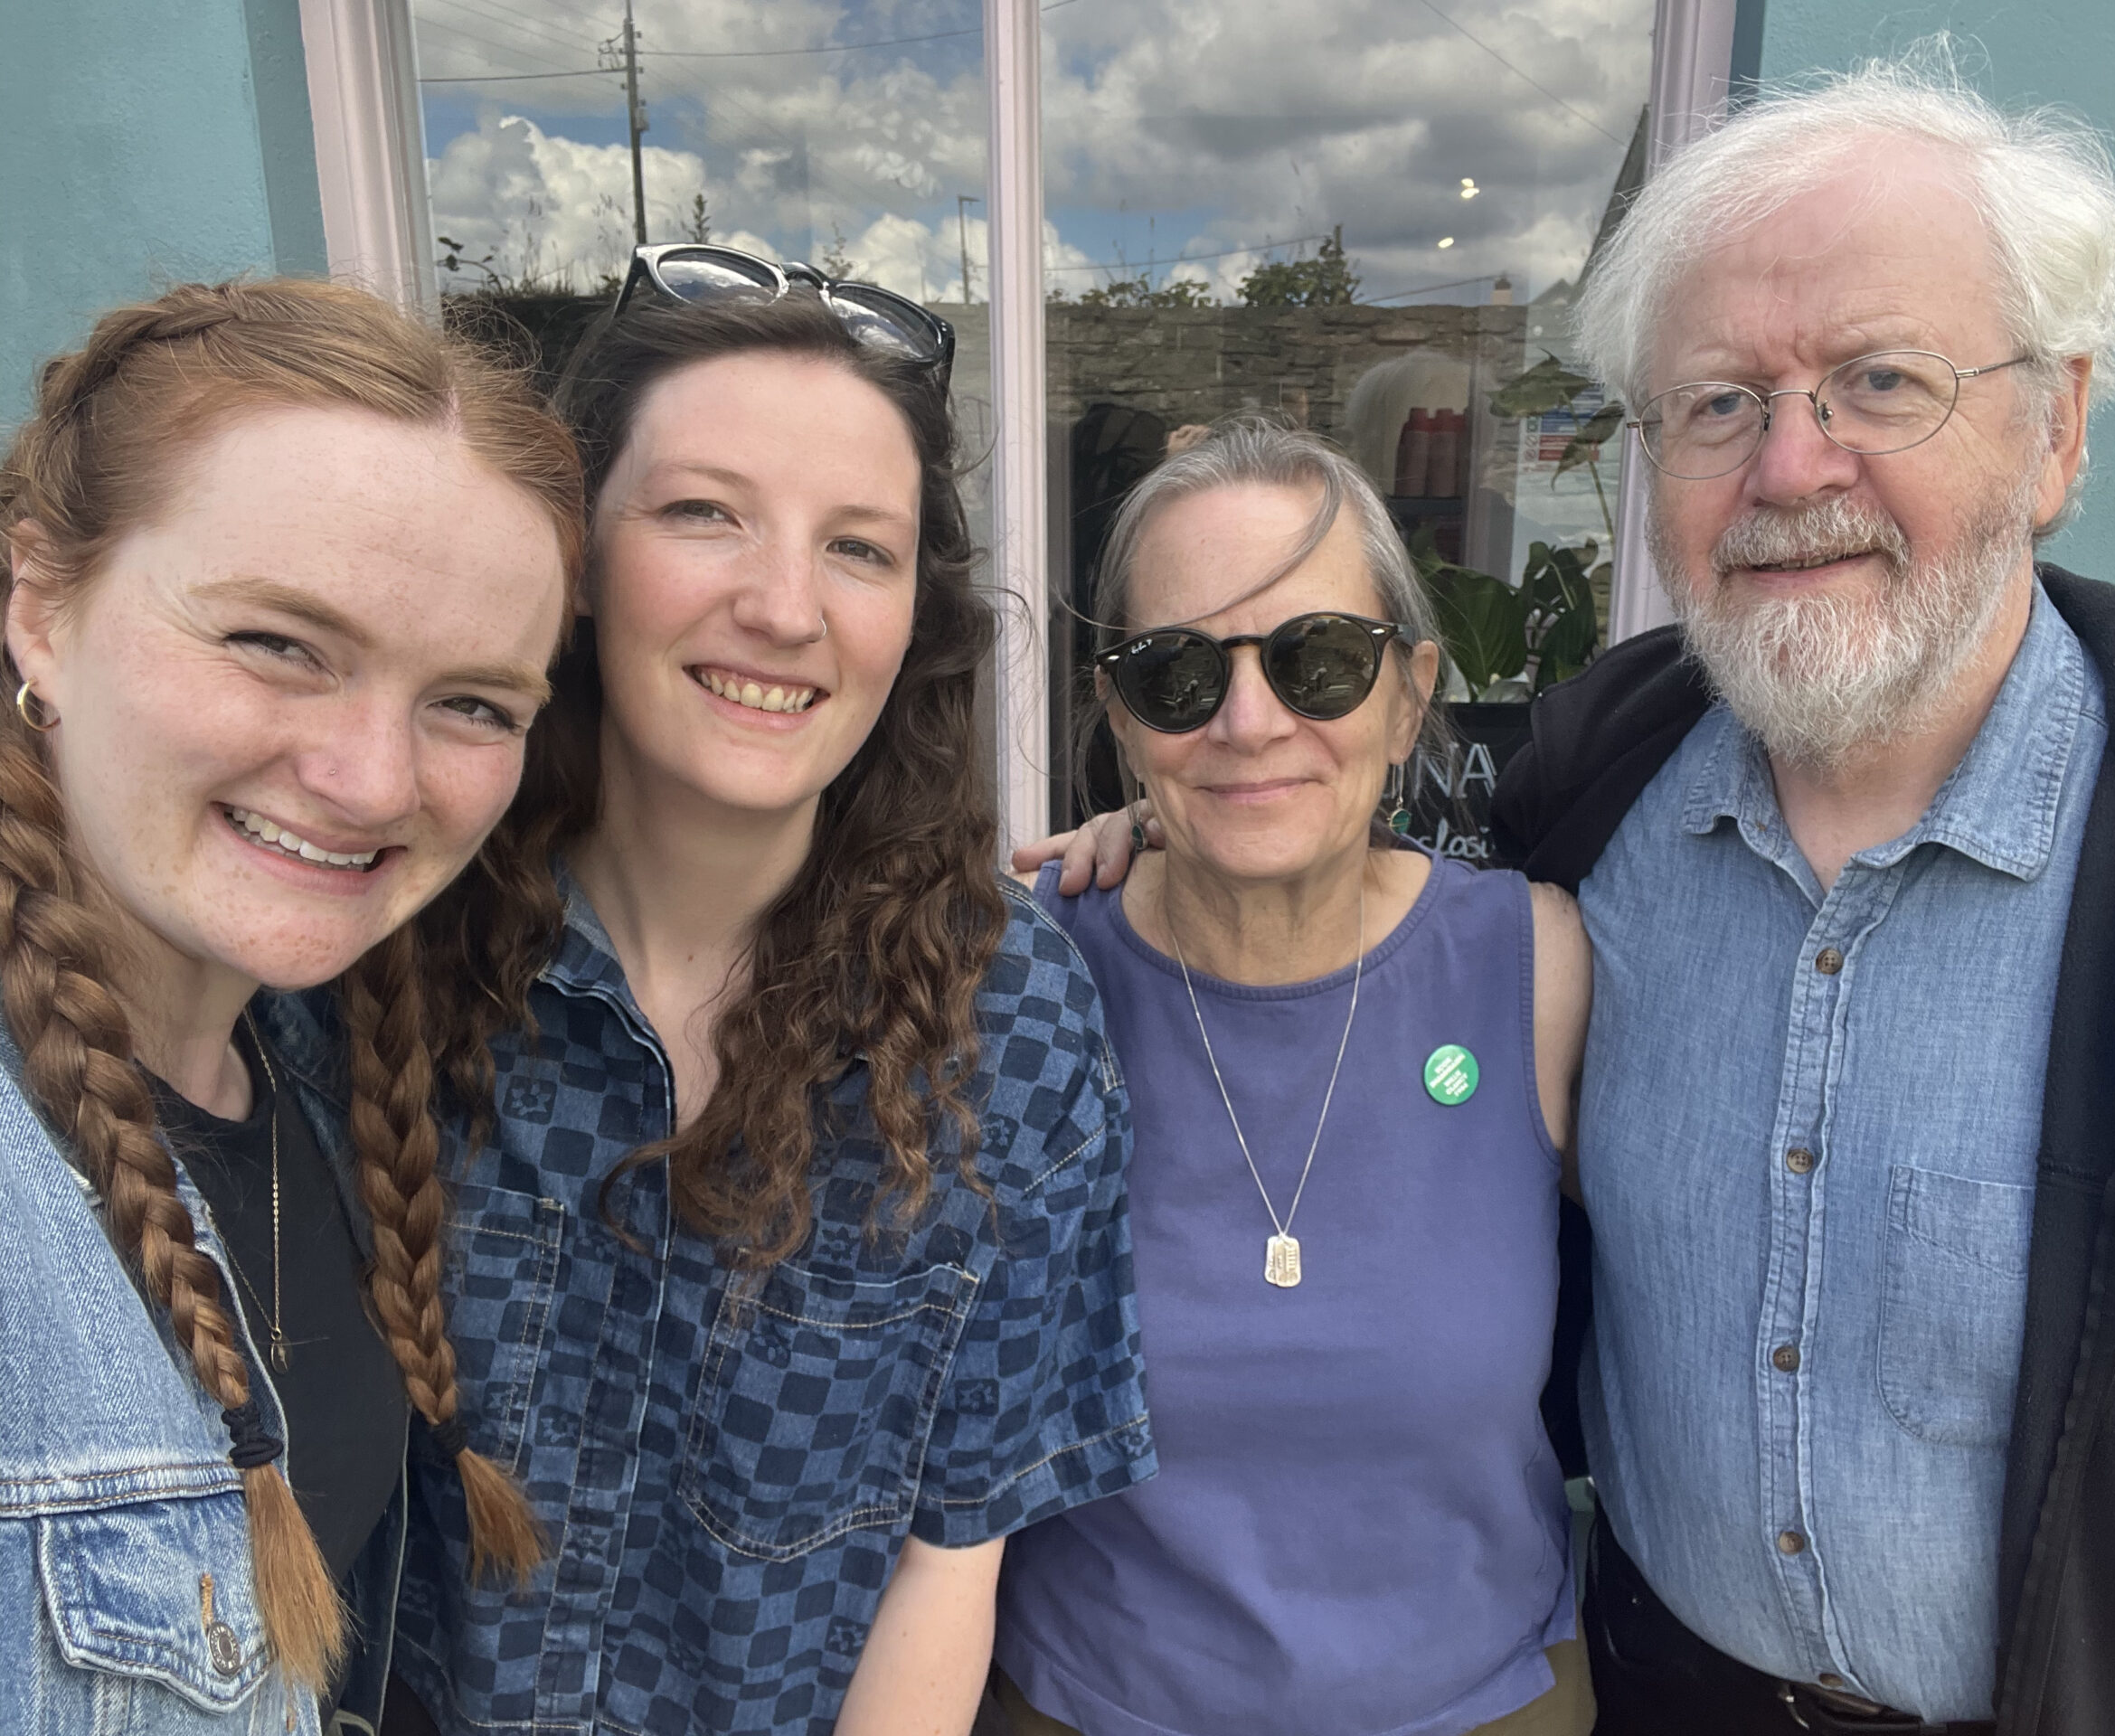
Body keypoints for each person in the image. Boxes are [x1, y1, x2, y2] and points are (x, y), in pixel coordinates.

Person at [1482, 59, 2115, 1736]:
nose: (1793, 468)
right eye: (1718, 403)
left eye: (1880, 381)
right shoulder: (1584, 803)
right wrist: (1170, 843)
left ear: (2058, 427)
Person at [365, 249, 1156, 1736]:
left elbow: (949, 1561)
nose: (784, 606)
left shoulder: (1014, 1024)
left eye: (858, 547)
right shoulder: (386, 936)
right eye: (703, 513)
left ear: (915, 614)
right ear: (576, 558)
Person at [0, 278, 580, 1734]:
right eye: (277, 643)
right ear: (38, 607)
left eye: (474, 704)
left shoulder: (307, 1060)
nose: (375, 781)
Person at [994, 419, 1596, 1736]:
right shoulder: (1027, 979)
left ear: (1409, 692)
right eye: (1178, 674)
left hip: (1483, 1707)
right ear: (1118, 715)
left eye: (1318, 661)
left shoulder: (1538, 966)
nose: (1249, 720)